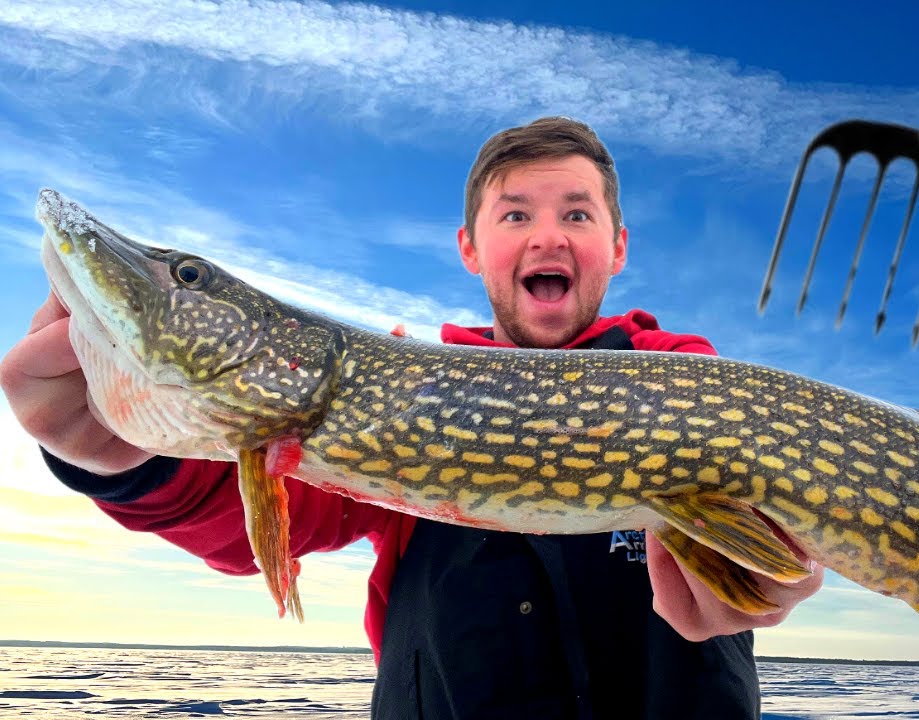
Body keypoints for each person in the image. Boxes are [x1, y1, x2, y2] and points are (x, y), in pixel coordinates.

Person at [1, 116, 824, 719]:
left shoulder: (688, 381)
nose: (549, 235)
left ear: (617, 247)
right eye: (516, 214)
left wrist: (770, 576)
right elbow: (263, 511)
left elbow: (779, 539)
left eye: (578, 214)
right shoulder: (395, 389)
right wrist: (123, 458)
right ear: (472, 248)